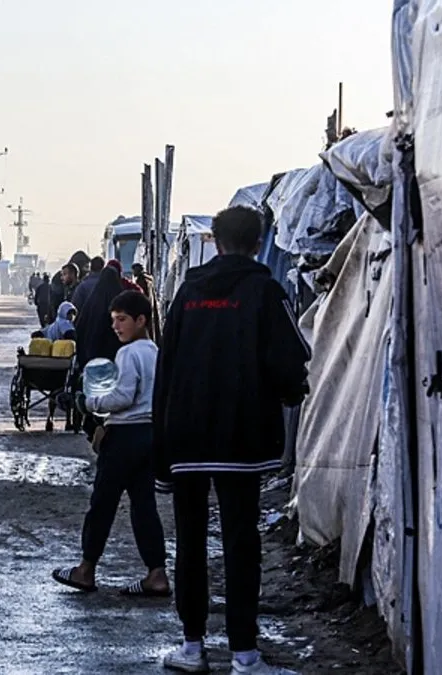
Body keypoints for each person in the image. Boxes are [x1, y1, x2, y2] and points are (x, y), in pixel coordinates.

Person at [153, 206, 310, 675]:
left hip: (186, 440)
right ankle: (244, 655)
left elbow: (167, 369)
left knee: (191, 542)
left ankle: (192, 648)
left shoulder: (188, 294)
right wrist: (287, 393)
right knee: (242, 543)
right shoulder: (265, 290)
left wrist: (163, 450)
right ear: (259, 241)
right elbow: (292, 360)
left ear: (216, 242)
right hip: (242, 440)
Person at [52, 290, 167, 596]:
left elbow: (122, 397)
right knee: (144, 506)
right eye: (114, 320)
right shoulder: (155, 352)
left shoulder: (128, 354)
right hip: (150, 435)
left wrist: (86, 402)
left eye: (122, 320)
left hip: (125, 438)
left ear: (141, 320)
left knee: (102, 504)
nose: (116, 327)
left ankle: (85, 569)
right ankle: (157, 573)